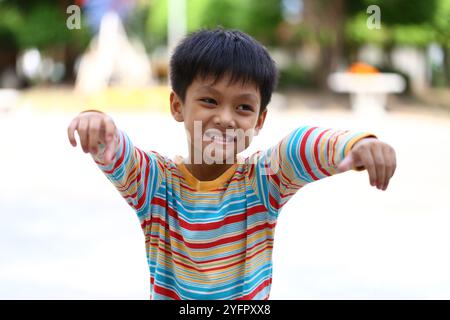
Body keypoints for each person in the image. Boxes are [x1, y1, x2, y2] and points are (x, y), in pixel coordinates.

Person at [67, 28, 396, 300]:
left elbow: (299, 146)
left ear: (259, 120)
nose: (225, 119)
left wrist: (356, 144)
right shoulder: (156, 184)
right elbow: (118, 152)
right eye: (209, 100)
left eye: (243, 108)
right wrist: (94, 121)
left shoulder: (261, 181)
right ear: (177, 105)